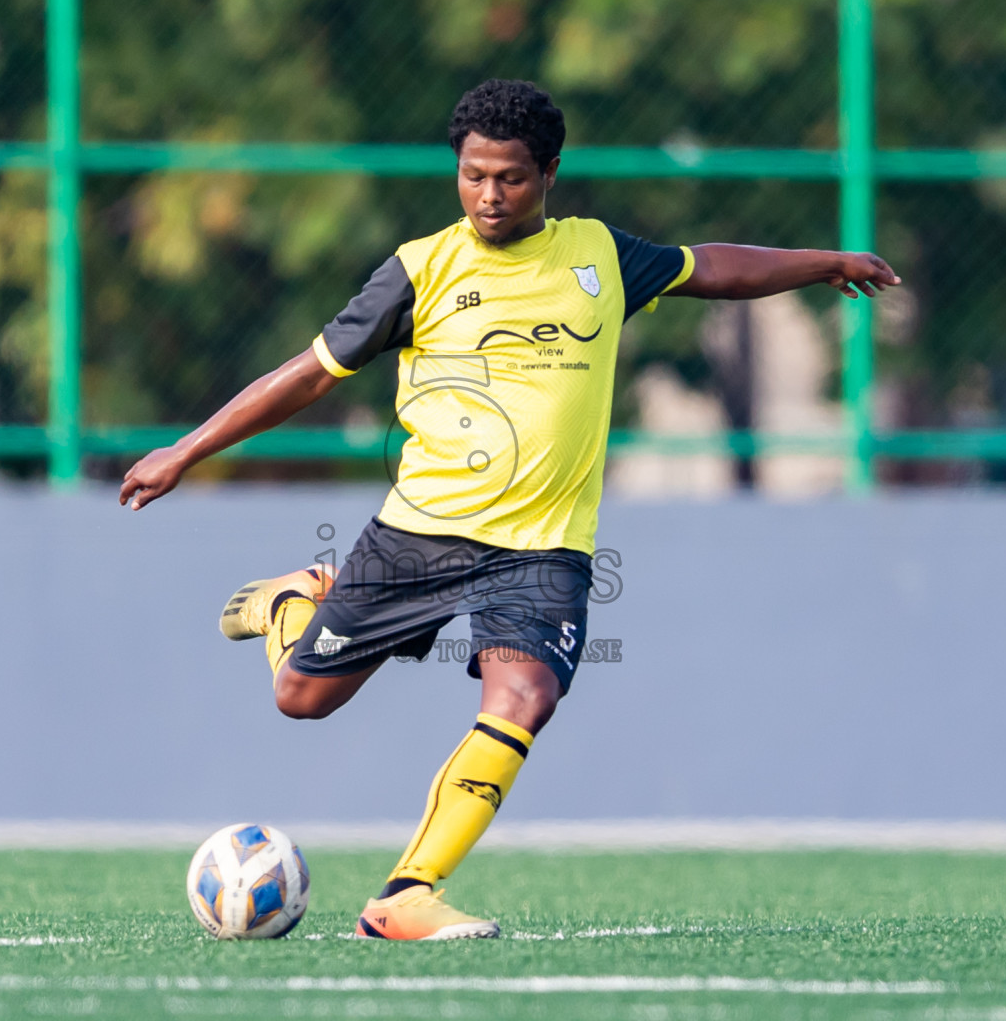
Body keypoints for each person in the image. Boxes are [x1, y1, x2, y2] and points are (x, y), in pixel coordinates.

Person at [120, 79, 900, 940]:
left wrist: (822, 263)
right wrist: (184, 451)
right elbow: (306, 374)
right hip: (421, 530)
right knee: (301, 697)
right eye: (473, 176)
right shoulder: (420, 271)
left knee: (524, 693)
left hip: (544, 546)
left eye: (511, 179)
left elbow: (708, 267)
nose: (489, 196)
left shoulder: (599, 256)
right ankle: (289, 602)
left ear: (550, 174)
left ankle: (404, 895)